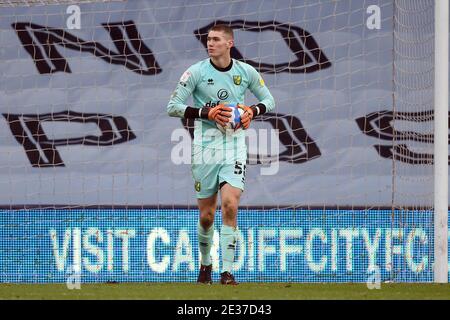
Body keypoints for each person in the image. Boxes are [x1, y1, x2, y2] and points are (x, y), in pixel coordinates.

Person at [167, 24, 275, 285]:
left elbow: (269, 101)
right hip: (204, 150)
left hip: (234, 147)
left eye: (216, 39)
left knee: (230, 205)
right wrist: (206, 112)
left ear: (230, 43)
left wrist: (252, 111)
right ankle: (206, 264)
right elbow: (172, 107)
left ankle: (227, 272)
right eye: (208, 39)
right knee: (207, 217)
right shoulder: (195, 72)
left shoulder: (245, 72)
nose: (210, 43)